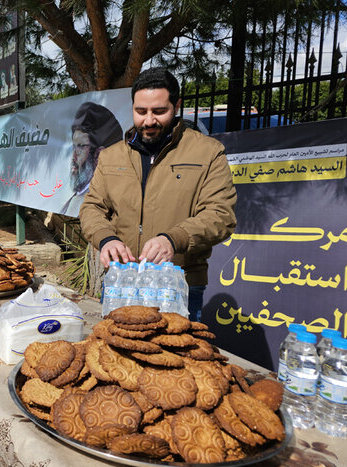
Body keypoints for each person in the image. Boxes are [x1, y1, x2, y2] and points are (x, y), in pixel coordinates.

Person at [79, 67, 237, 322]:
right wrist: (105, 238)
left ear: (177, 106)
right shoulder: (112, 156)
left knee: (175, 358)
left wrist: (173, 239)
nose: (148, 120)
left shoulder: (208, 153)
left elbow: (220, 215)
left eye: (159, 111)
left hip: (177, 285)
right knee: (116, 357)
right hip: (123, 283)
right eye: (140, 111)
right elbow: (92, 207)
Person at [60, 102, 123, 215]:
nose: (73, 157)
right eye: (74, 146)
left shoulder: (102, 201)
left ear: (100, 155)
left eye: (81, 147)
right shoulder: (78, 197)